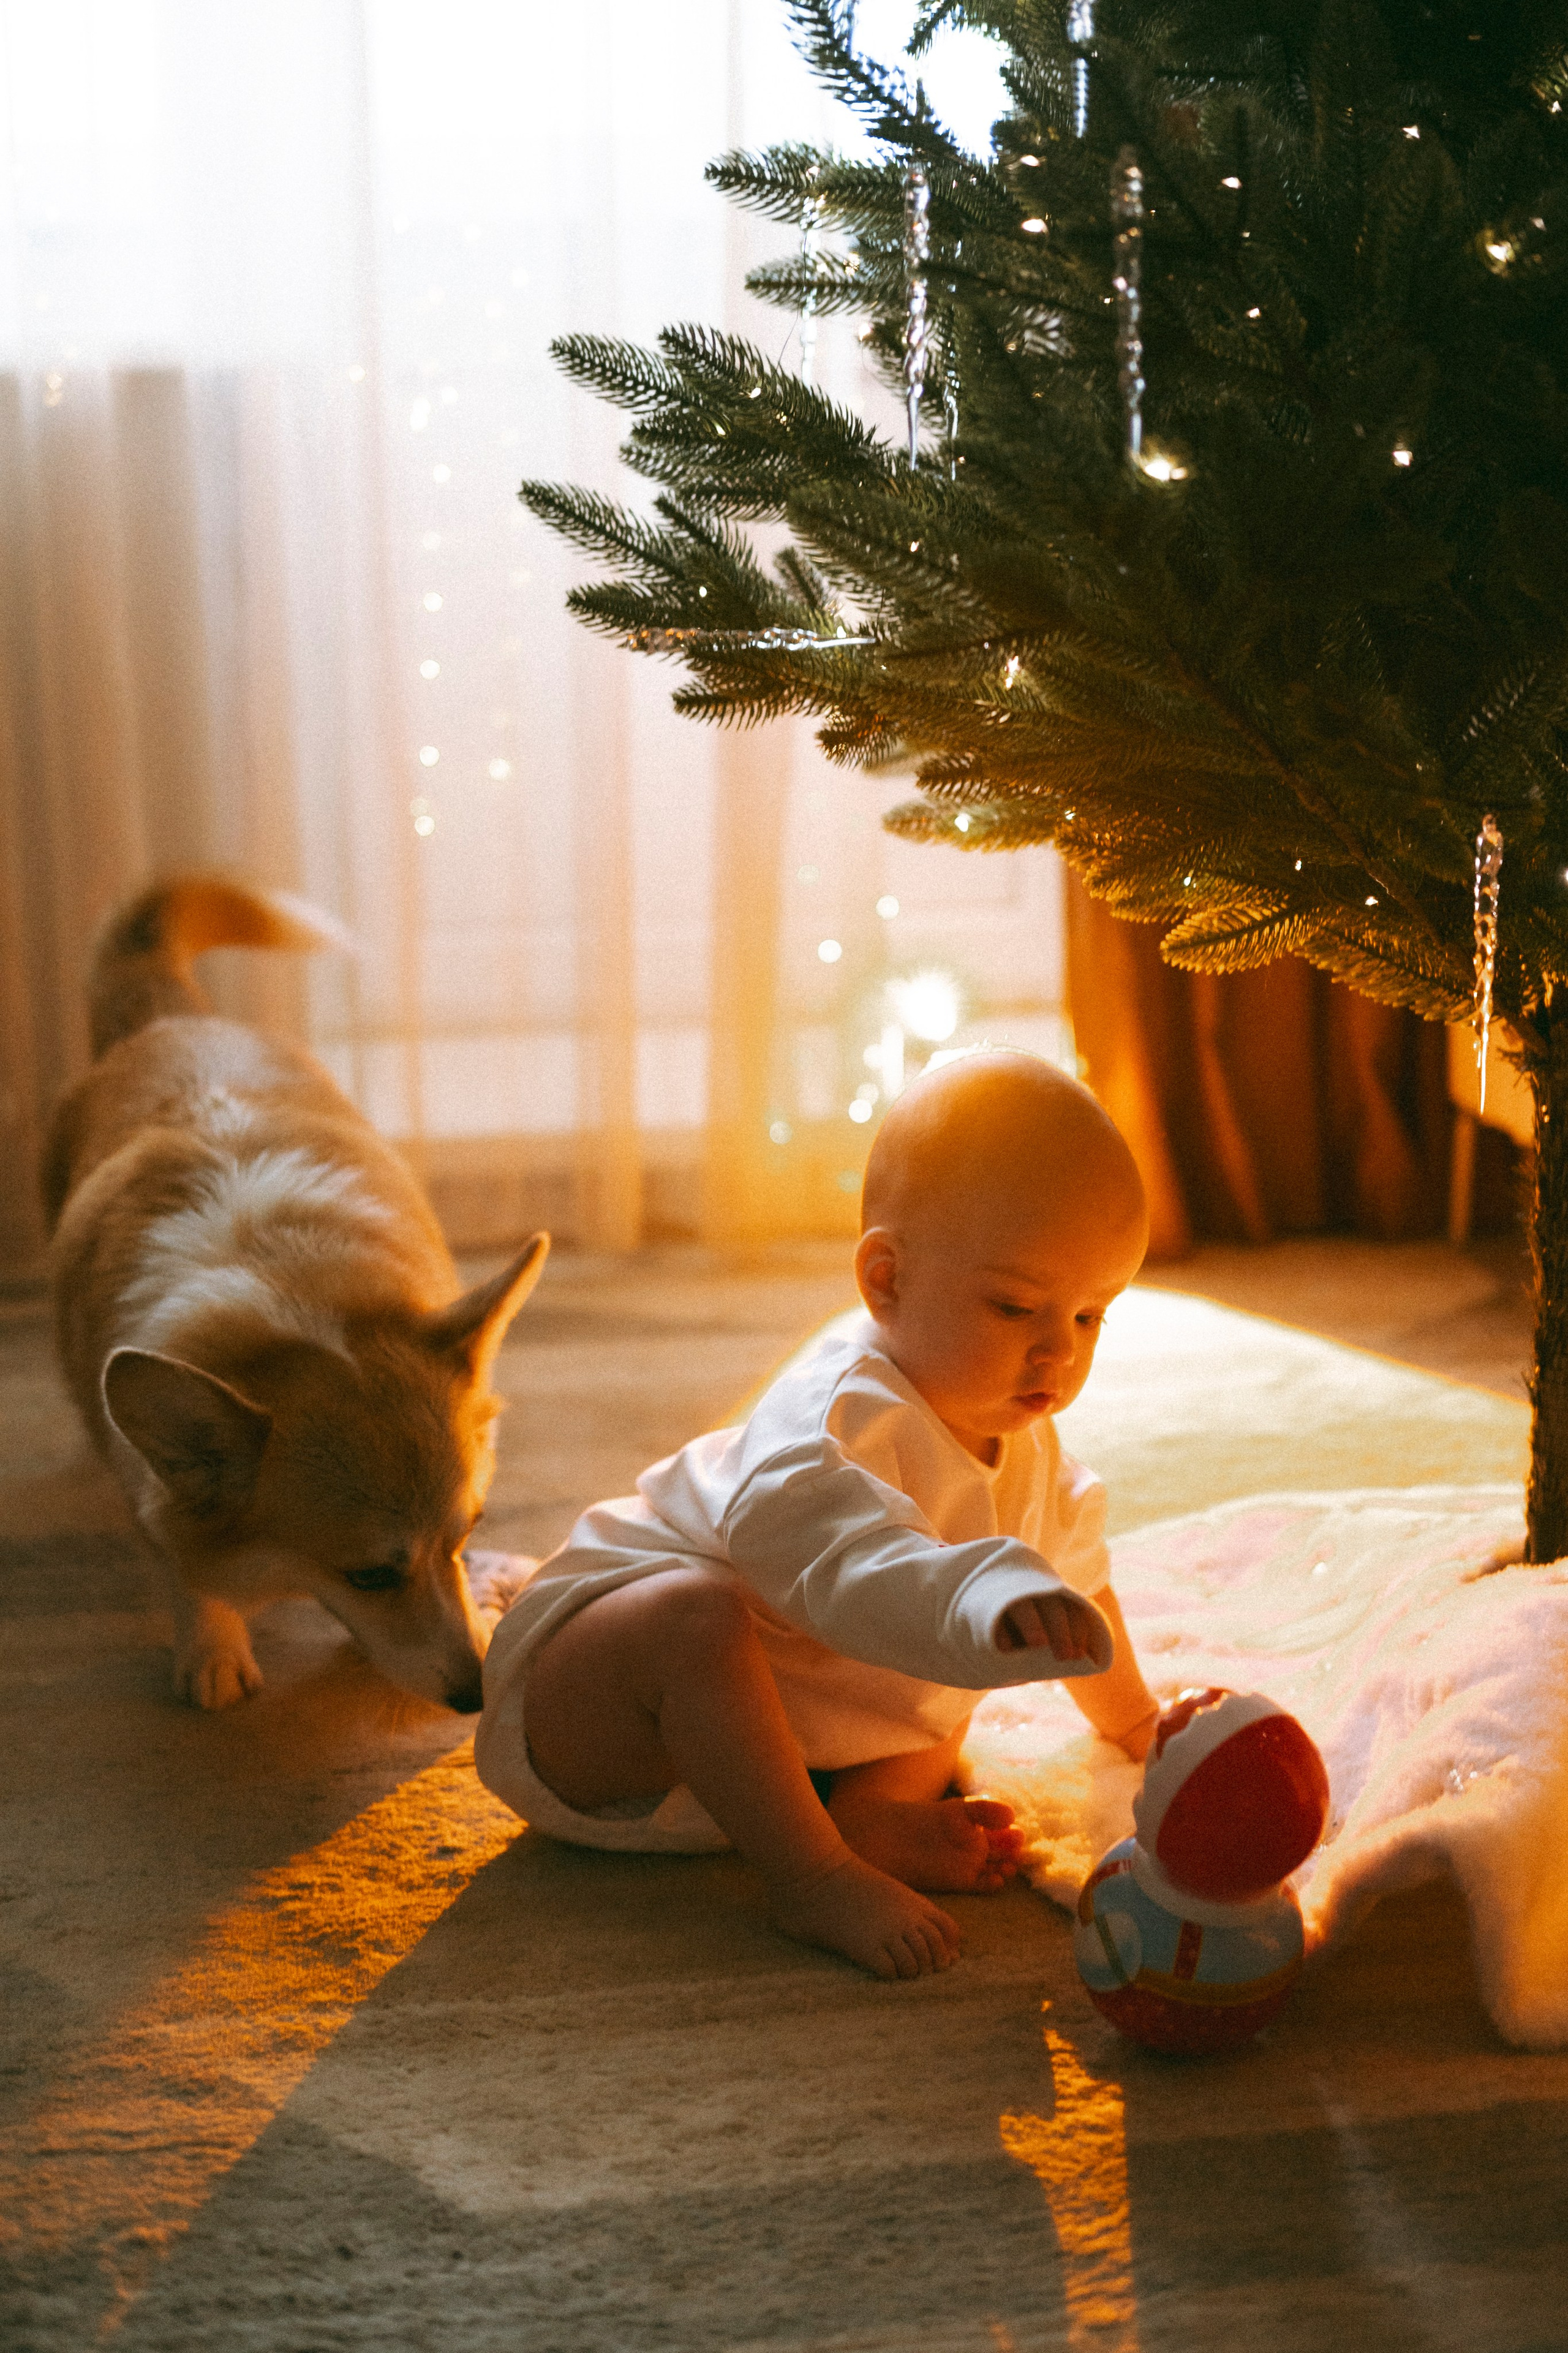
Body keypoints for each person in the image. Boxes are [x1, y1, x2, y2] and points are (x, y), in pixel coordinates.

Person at [475, 1049, 1158, 1981]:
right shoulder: (831, 1420)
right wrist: (979, 1592)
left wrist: (1138, 1725)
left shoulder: (1028, 1447)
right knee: (701, 1617)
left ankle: (868, 1815)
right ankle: (812, 1872)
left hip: (787, 1744)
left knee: (949, 1681)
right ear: (885, 1279)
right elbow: (849, 1567)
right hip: (599, 1702)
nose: (1058, 1351)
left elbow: (1082, 1580)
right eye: (1016, 1305)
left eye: (1091, 1317)